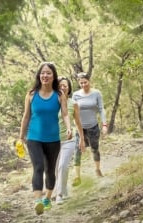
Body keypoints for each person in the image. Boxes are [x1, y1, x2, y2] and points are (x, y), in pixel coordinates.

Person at [19, 62, 72, 215]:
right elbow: (26, 116)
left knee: (50, 170)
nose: (45, 75)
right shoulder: (31, 94)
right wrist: (21, 137)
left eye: (48, 73)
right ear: (39, 75)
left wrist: (69, 127)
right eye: (43, 73)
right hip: (34, 137)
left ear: (53, 76)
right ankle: (37, 201)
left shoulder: (59, 95)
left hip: (53, 138)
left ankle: (48, 198)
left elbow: (65, 114)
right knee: (38, 167)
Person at [72, 72, 108, 186]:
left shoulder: (96, 93)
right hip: (80, 128)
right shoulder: (76, 95)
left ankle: (97, 170)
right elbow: (72, 111)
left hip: (93, 127)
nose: (83, 85)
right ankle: (77, 177)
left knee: (94, 149)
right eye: (81, 83)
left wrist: (104, 124)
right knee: (77, 151)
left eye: (85, 82)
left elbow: (101, 109)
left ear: (89, 81)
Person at [53, 77, 85, 204]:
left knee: (63, 166)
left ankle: (59, 194)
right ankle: (64, 191)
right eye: (60, 85)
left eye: (65, 85)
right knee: (56, 169)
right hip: (53, 141)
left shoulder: (73, 103)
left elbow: (78, 122)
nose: (62, 87)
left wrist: (82, 139)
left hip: (68, 140)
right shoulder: (51, 103)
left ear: (69, 87)